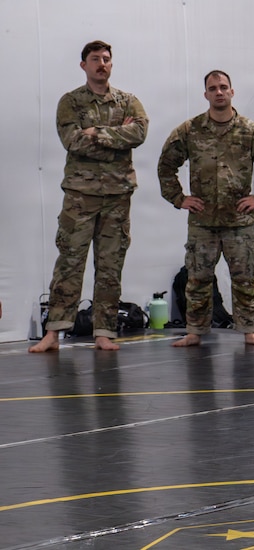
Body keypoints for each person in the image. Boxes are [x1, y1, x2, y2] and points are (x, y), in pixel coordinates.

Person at [29, 40, 148, 353]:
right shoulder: (70, 102)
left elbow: (139, 133)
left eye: (107, 59)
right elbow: (73, 142)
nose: (102, 64)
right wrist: (114, 136)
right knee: (69, 262)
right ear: (84, 65)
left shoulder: (128, 101)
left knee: (110, 266)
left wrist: (96, 132)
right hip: (81, 196)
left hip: (118, 196)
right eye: (95, 59)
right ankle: (54, 332)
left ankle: (104, 332)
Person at [158, 70, 254, 347]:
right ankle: (194, 331)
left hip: (239, 220)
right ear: (206, 95)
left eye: (223, 87)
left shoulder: (250, 132)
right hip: (203, 221)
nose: (218, 92)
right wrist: (179, 198)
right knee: (198, 279)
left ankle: (250, 330)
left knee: (244, 278)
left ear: (232, 92)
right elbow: (166, 165)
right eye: (213, 88)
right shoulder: (190, 130)